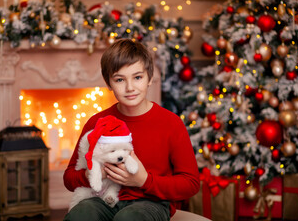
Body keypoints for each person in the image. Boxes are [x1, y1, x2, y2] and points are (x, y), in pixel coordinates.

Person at [63, 38, 200, 221]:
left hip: (152, 202)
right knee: (81, 214)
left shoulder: (171, 123)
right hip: (104, 198)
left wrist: (144, 180)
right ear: (109, 83)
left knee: (128, 218)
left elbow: (190, 183)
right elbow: (69, 177)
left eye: (137, 77)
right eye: (120, 79)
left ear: (149, 78)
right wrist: (91, 174)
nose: (130, 88)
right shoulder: (97, 122)